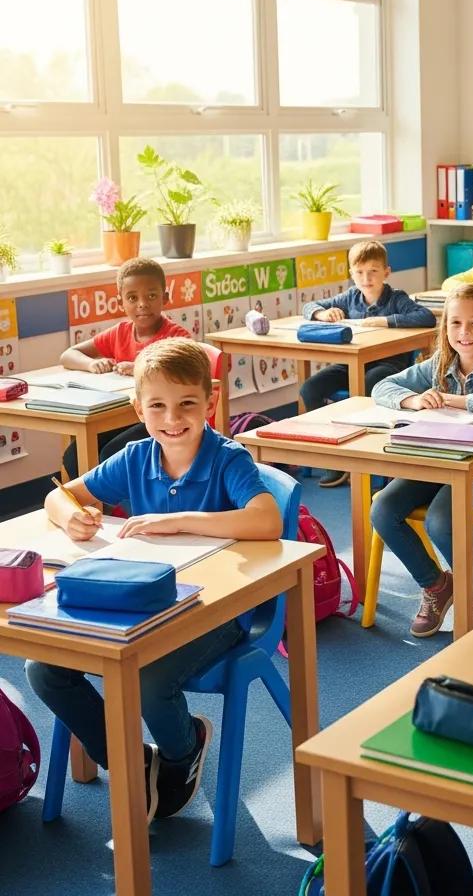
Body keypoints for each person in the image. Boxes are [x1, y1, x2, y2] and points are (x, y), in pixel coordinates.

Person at [27, 339, 283, 823]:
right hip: (143, 603)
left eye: (187, 403)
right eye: (158, 406)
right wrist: (73, 516)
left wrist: (182, 519)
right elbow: (59, 498)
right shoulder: (134, 456)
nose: (173, 418)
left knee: (147, 677)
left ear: (210, 401)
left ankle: (183, 751)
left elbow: (266, 520)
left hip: (217, 611)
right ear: (137, 407)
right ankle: (131, 762)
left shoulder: (228, 458)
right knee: (44, 668)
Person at [369, 283, 473, 637]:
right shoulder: (438, 364)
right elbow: (381, 388)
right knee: (383, 509)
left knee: (442, 519)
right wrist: (412, 401)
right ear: (445, 329)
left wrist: (455, 400)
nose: (465, 332)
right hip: (438, 461)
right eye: (456, 323)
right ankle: (436, 584)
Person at [300, 239, 434, 487]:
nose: (366, 278)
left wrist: (383, 321)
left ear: (386, 272)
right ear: (351, 274)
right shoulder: (350, 298)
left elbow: (425, 317)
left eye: (373, 271)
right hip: (350, 365)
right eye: (359, 272)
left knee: (371, 383)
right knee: (310, 389)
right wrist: (321, 314)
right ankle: (334, 459)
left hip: (388, 366)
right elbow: (309, 306)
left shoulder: (395, 298)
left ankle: (371, 456)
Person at [60, 256, 191, 477]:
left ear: (165, 298)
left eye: (151, 296)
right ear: (121, 302)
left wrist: (143, 368)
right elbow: (68, 355)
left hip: (164, 420)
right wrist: (92, 363)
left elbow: (189, 369)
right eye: (132, 297)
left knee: (112, 453)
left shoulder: (176, 336)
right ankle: (99, 508)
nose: (142, 304)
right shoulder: (119, 333)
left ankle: (129, 507)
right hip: (123, 416)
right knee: (74, 456)